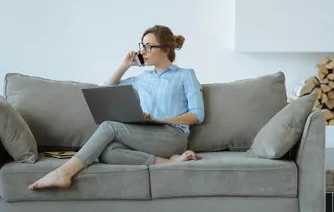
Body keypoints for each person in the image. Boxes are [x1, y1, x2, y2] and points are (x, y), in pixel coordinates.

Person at [28, 25, 205, 190]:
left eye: (149, 46)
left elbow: (198, 114)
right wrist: (125, 65)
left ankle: (63, 172)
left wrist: (163, 120)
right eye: (142, 45)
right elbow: (105, 89)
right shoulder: (141, 79)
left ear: (166, 49)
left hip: (173, 136)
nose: (143, 51)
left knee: (109, 126)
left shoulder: (185, 75)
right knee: (107, 151)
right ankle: (169, 163)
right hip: (146, 135)